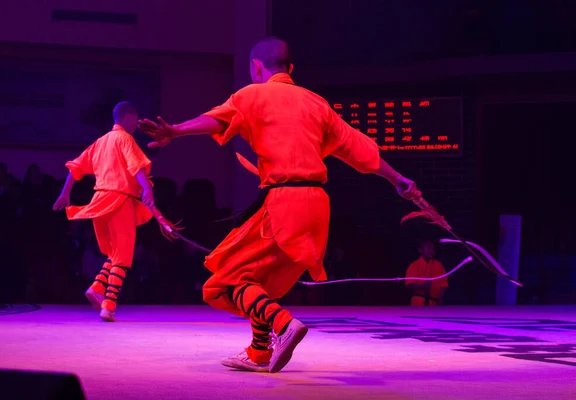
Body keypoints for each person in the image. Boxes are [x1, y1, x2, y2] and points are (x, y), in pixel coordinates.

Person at [138, 37, 420, 373]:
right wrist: (397, 178)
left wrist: (176, 131)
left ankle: (284, 325)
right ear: (291, 69)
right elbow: (357, 148)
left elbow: (219, 120)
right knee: (262, 283)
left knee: (222, 283)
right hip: (317, 205)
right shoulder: (317, 103)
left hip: (285, 201)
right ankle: (259, 351)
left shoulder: (253, 95)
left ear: (256, 66)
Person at [53, 101, 156, 322]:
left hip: (99, 203)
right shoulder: (125, 139)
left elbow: (76, 167)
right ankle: (108, 306)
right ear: (128, 117)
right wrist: (147, 188)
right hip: (119, 201)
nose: (136, 124)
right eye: (135, 119)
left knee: (115, 254)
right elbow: (136, 166)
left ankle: (97, 287)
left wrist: (65, 193)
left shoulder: (100, 142)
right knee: (124, 257)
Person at [405, 239, 448, 306]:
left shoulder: (439, 265)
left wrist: (440, 299)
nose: (431, 251)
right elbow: (409, 284)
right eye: (428, 248)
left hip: (434, 302)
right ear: (420, 250)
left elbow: (443, 285)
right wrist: (422, 286)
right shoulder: (414, 265)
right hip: (418, 301)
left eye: (433, 249)